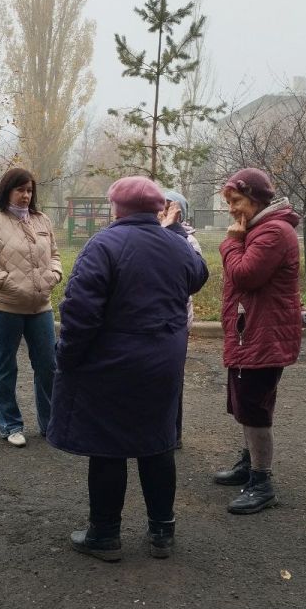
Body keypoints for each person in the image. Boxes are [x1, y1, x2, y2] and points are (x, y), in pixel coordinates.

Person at [47, 176, 209, 561]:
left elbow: (81, 313)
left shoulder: (103, 245)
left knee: (107, 447)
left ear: (115, 208)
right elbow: (198, 277)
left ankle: (104, 535)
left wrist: (67, 358)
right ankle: (162, 533)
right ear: (158, 209)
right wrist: (173, 233)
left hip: (112, 363)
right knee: (158, 444)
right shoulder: (178, 245)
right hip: (163, 361)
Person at [212, 167, 302, 515]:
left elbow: (245, 275)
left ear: (255, 198)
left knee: (255, 408)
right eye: (230, 202)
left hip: (261, 335)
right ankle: (249, 463)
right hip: (252, 331)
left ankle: (262, 482)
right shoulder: (262, 228)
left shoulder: (273, 232)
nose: (233, 209)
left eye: (236, 201)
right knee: (244, 402)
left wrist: (231, 242)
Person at [0, 168, 63, 447]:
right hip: (5, 306)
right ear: (7, 191)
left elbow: (55, 255)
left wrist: (54, 275)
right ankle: (10, 424)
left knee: (48, 365)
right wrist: (5, 280)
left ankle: (51, 425)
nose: (26, 196)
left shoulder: (42, 220)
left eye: (29, 190)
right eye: (20, 190)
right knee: (4, 366)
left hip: (40, 307)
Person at [158, 189, 202, 449]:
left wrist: (168, 230)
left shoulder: (188, 240)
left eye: (167, 207)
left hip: (175, 322)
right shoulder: (156, 232)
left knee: (173, 380)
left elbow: (191, 278)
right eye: (159, 206)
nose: (161, 212)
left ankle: (174, 433)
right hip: (156, 320)